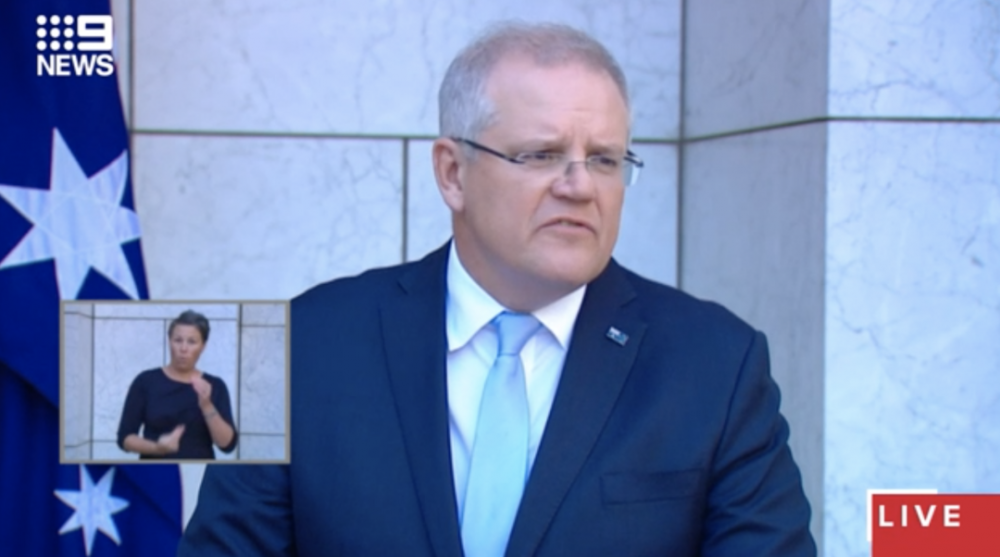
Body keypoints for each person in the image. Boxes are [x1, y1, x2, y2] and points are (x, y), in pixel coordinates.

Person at [180, 22, 816, 555]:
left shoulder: (714, 365)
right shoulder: (305, 347)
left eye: (603, 159)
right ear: (452, 173)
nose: (580, 186)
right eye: (540, 155)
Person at [117, 310, 238, 460]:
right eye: (178, 340)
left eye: (192, 342)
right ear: (169, 341)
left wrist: (206, 405)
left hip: (199, 470)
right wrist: (157, 448)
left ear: (203, 346)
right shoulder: (146, 381)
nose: (183, 349)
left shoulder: (214, 386)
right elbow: (125, 438)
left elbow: (227, 445)